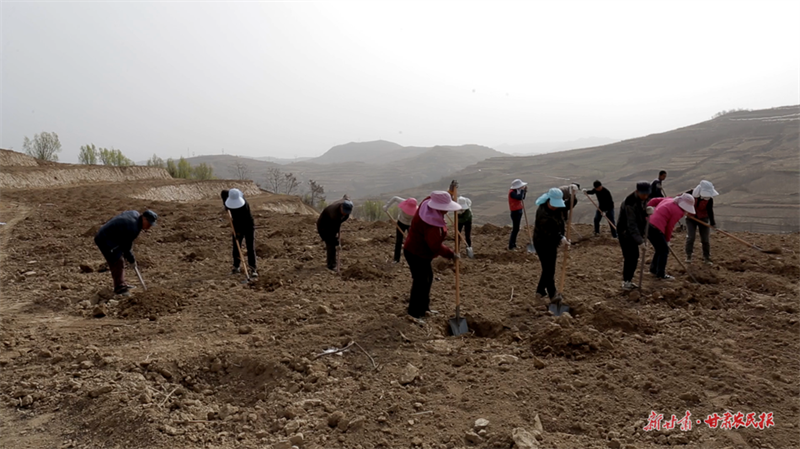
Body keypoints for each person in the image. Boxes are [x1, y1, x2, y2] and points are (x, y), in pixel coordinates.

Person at [403, 191, 461, 318]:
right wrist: (451, 254)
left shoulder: (427, 204)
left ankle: (424, 308)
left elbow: (436, 197)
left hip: (421, 252)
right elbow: (435, 246)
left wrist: (449, 192)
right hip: (416, 253)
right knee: (421, 282)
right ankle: (414, 313)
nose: (447, 210)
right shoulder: (431, 226)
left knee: (427, 279)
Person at [94, 210, 158, 296]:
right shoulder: (133, 227)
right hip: (104, 239)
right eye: (149, 223)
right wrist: (131, 259)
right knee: (117, 261)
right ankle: (120, 288)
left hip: (113, 236)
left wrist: (129, 256)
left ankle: (122, 284)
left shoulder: (135, 214)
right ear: (144, 218)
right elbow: (126, 246)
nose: (149, 227)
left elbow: (125, 242)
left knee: (119, 258)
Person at [647, 193, 695, 280]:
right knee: (664, 250)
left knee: (659, 249)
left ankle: (654, 269)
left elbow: (654, 200)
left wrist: (646, 208)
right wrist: (667, 240)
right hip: (656, 228)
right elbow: (670, 226)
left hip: (647, 224)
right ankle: (660, 274)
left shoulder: (668, 199)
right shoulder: (678, 212)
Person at [533, 188, 568, 300]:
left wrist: (573, 194)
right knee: (549, 269)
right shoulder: (542, 213)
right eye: (553, 204)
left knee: (548, 268)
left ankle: (540, 291)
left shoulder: (557, 209)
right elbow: (548, 232)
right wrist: (560, 237)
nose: (555, 207)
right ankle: (552, 294)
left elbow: (568, 206)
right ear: (548, 200)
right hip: (542, 243)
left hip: (552, 243)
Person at [616, 182, 651, 290]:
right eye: (643, 194)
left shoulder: (643, 199)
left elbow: (640, 216)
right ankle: (626, 282)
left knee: (634, 256)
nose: (645, 196)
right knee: (630, 257)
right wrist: (640, 241)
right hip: (625, 233)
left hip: (634, 232)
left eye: (647, 194)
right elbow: (631, 224)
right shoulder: (629, 203)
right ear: (637, 192)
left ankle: (628, 280)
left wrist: (647, 212)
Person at [221, 189, 258, 278]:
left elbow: (243, 221)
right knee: (236, 246)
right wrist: (225, 205)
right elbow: (223, 193)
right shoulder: (229, 195)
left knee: (250, 247)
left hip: (248, 225)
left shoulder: (244, 206)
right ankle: (236, 267)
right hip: (236, 225)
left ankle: (253, 269)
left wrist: (238, 232)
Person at [685, 180, 719, 264]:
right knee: (691, 237)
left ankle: (706, 257)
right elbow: (680, 199)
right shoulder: (690, 193)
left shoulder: (709, 199)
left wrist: (712, 223)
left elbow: (710, 211)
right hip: (691, 218)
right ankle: (688, 255)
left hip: (703, 218)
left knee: (705, 239)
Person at [317, 196, 354, 271]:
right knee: (330, 243)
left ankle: (333, 263)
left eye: (347, 212)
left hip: (333, 224)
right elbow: (332, 232)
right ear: (341, 207)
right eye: (344, 211)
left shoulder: (345, 209)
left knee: (333, 241)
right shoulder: (334, 214)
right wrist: (336, 242)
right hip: (324, 226)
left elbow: (345, 198)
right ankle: (331, 265)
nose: (345, 213)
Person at [383, 196, 418, 263]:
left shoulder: (417, 210)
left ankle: (413, 259)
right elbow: (394, 198)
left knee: (412, 242)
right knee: (399, 241)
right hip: (400, 223)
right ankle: (396, 259)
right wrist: (386, 206)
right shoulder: (404, 202)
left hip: (410, 225)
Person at [508, 179, 528, 250]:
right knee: (515, 229)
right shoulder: (512, 193)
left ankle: (514, 244)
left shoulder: (516, 191)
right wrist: (522, 190)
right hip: (515, 212)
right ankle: (511, 245)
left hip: (519, 211)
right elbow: (519, 197)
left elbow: (522, 198)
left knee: (517, 229)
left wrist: (524, 191)